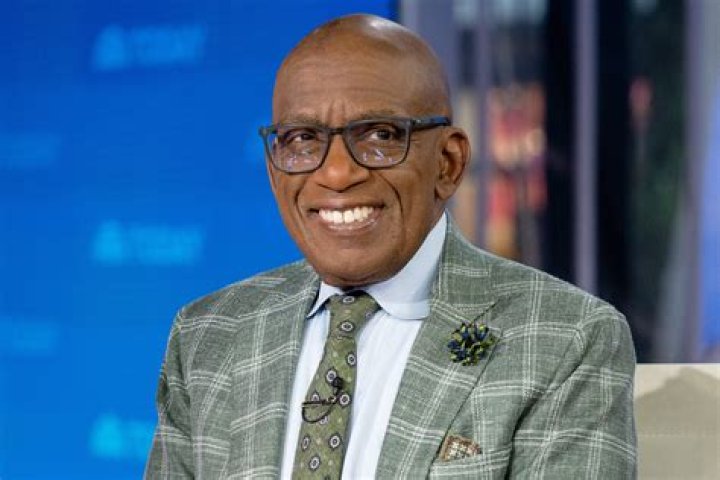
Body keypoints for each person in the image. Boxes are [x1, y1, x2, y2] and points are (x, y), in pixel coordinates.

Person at [145, 14, 636, 479]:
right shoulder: (207, 336)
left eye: (380, 135)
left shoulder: (565, 338)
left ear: (448, 162)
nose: (337, 173)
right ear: (275, 171)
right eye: (302, 139)